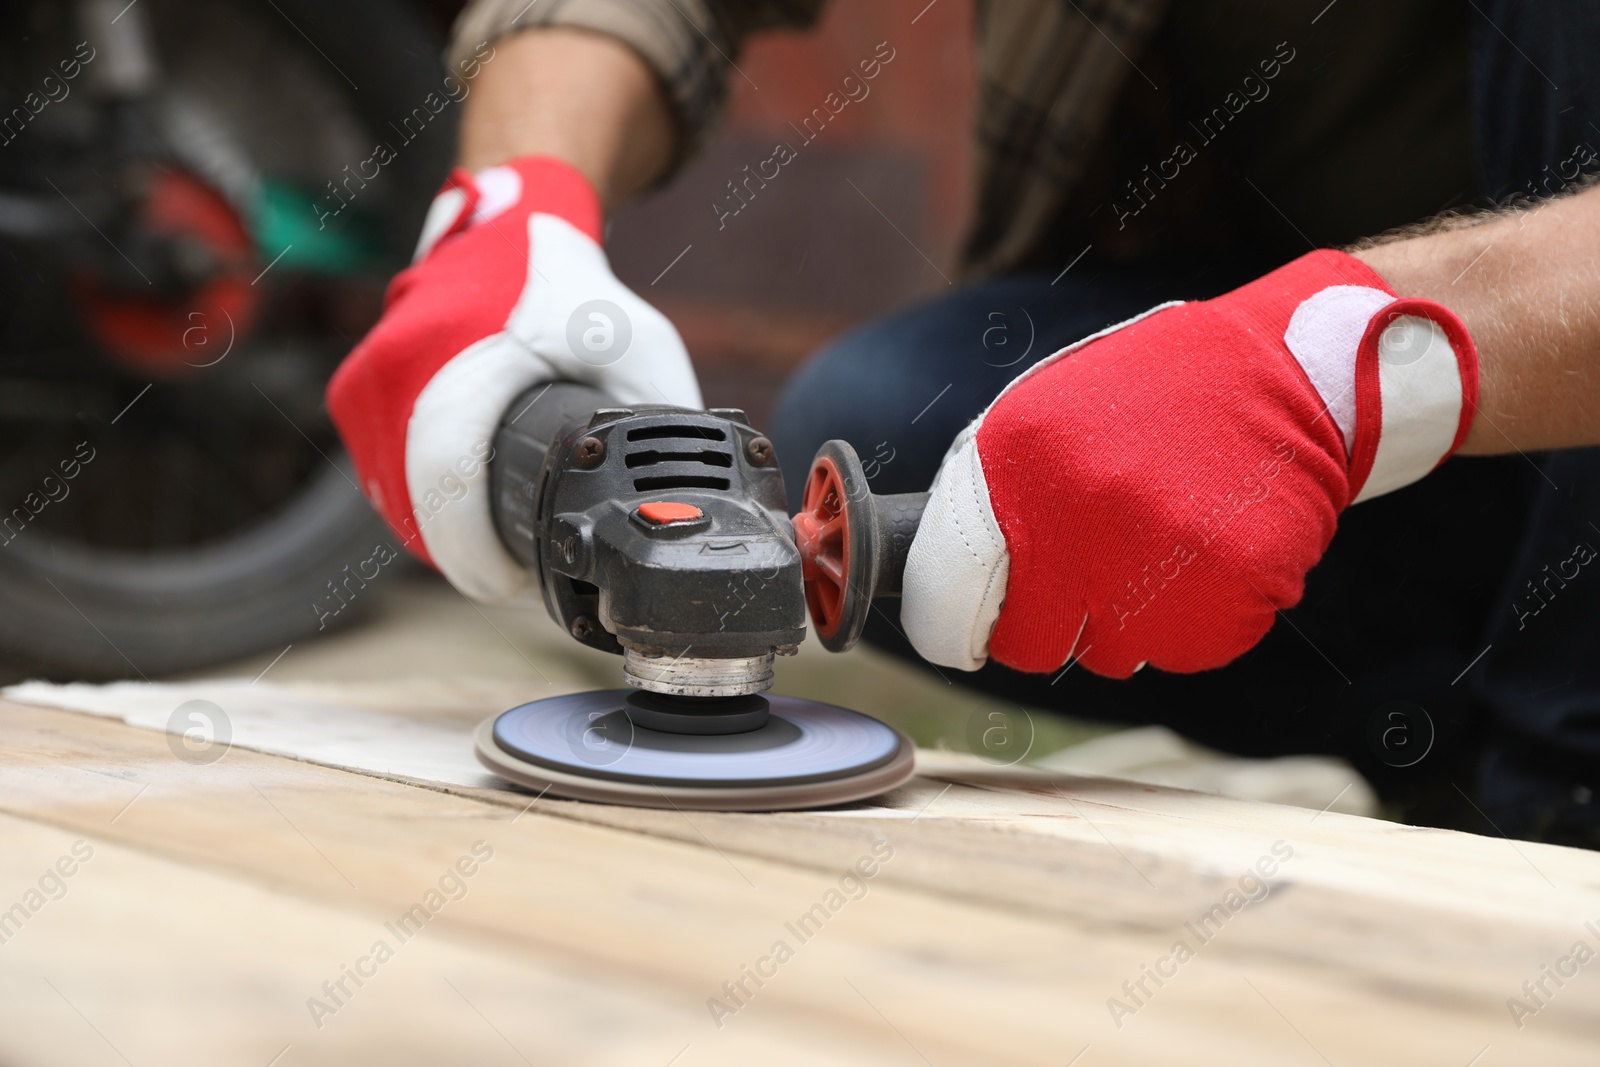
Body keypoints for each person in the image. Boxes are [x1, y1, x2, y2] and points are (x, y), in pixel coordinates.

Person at [327, 0, 1600, 844]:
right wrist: (508, 206)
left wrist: (1339, 367)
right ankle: (1434, 741)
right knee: (900, 428)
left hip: (1532, 336)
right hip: (1387, 428)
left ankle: (1559, 807)